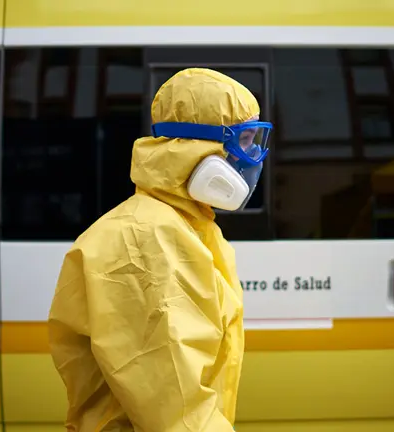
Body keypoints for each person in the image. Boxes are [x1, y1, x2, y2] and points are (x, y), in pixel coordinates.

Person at [47, 67, 273, 431]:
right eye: (245, 140)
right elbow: (176, 411)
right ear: (202, 147)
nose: (253, 157)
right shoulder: (143, 240)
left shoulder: (189, 228)